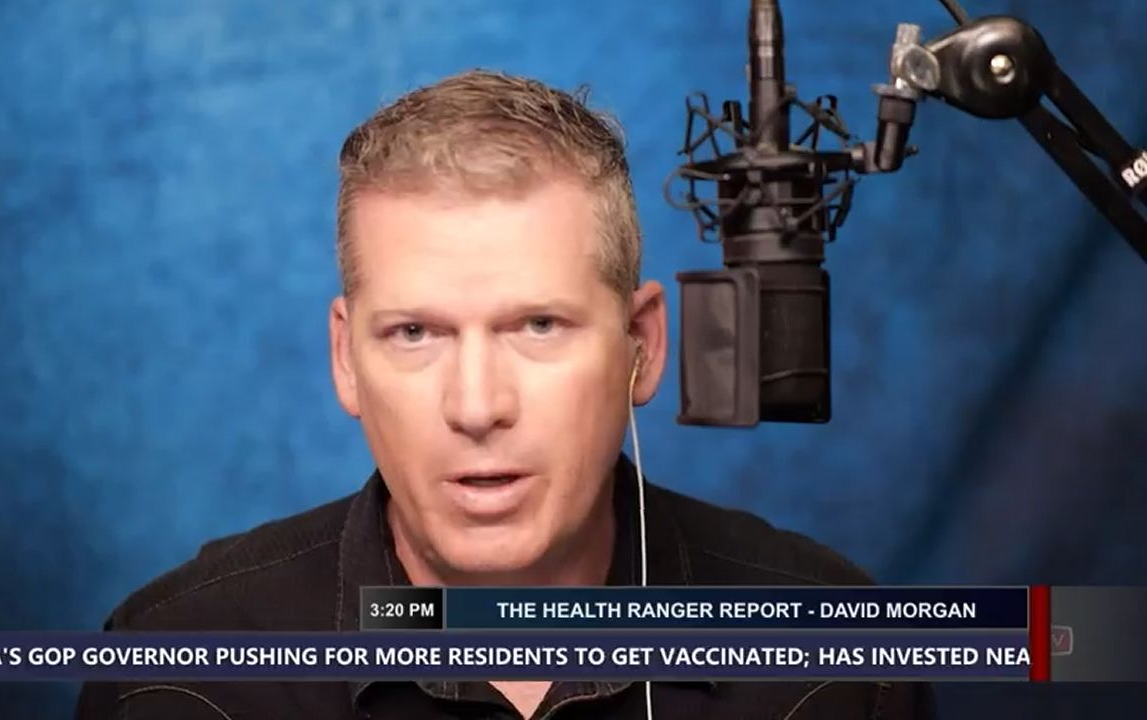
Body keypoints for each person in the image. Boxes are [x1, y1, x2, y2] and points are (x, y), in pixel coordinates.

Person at [74, 69, 937, 720]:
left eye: (538, 326)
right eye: (416, 333)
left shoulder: (838, 665)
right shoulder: (179, 673)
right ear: (346, 359)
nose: (477, 406)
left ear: (642, 345)